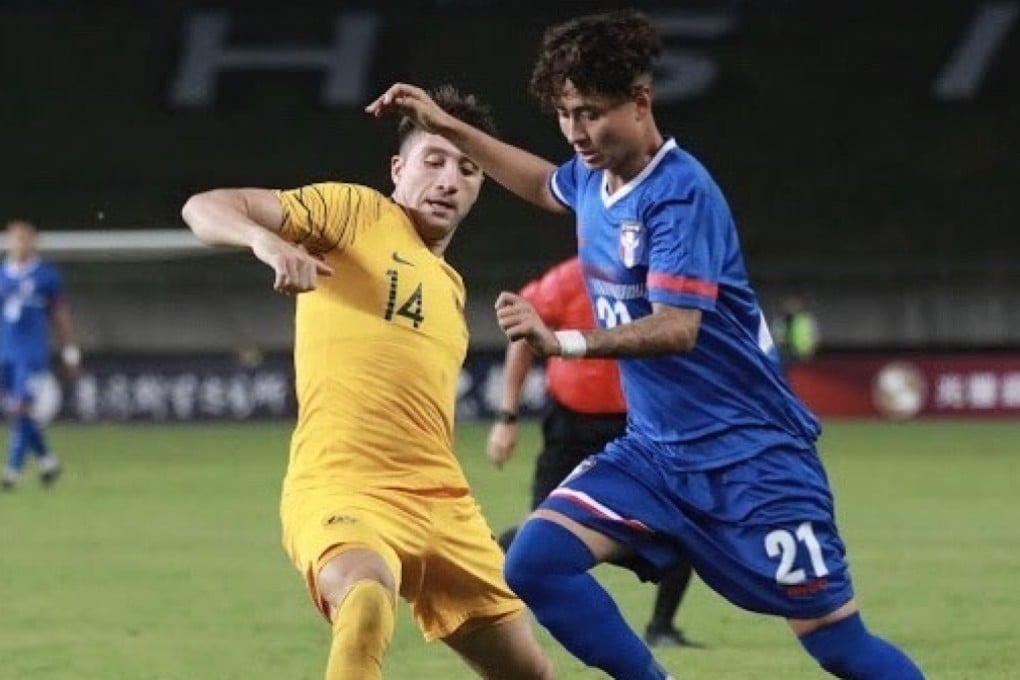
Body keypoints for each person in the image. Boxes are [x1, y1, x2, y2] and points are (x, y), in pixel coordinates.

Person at [366, 10, 927, 680]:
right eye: (566, 114)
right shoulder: (593, 179)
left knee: (837, 644)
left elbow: (677, 328)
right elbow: (543, 184)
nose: (577, 132)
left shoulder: (679, 194)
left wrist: (564, 342)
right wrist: (451, 126)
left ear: (640, 103)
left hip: (753, 460)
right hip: (656, 456)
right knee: (535, 563)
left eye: (592, 113)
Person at [181, 85, 552, 680]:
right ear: (397, 169)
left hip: (444, 504)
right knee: (366, 600)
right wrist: (265, 240)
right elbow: (204, 206)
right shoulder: (356, 212)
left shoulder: (450, 287)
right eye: (434, 161)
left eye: (468, 169)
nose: (450, 180)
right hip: (344, 486)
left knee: (530, 675)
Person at [486, 255, 701, 649]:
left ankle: (662, 627)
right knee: (539, 536)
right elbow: (520, 331)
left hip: (637, 424)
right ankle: (491, 595)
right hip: (571, 425)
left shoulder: (661, 277)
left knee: (682, 521)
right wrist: (507, 416)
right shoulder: (570, 277)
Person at [1, 219, 80, 491]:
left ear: (34, 241)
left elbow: (60, 315)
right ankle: (47, 462)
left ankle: (11, 472)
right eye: (15, 237)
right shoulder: (1, 275)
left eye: (26, 237)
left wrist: (70, 351)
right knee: (19, 414)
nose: (20, 243)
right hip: (4, 355)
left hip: (31, 354)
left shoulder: (46, 276)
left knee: (23, 409)